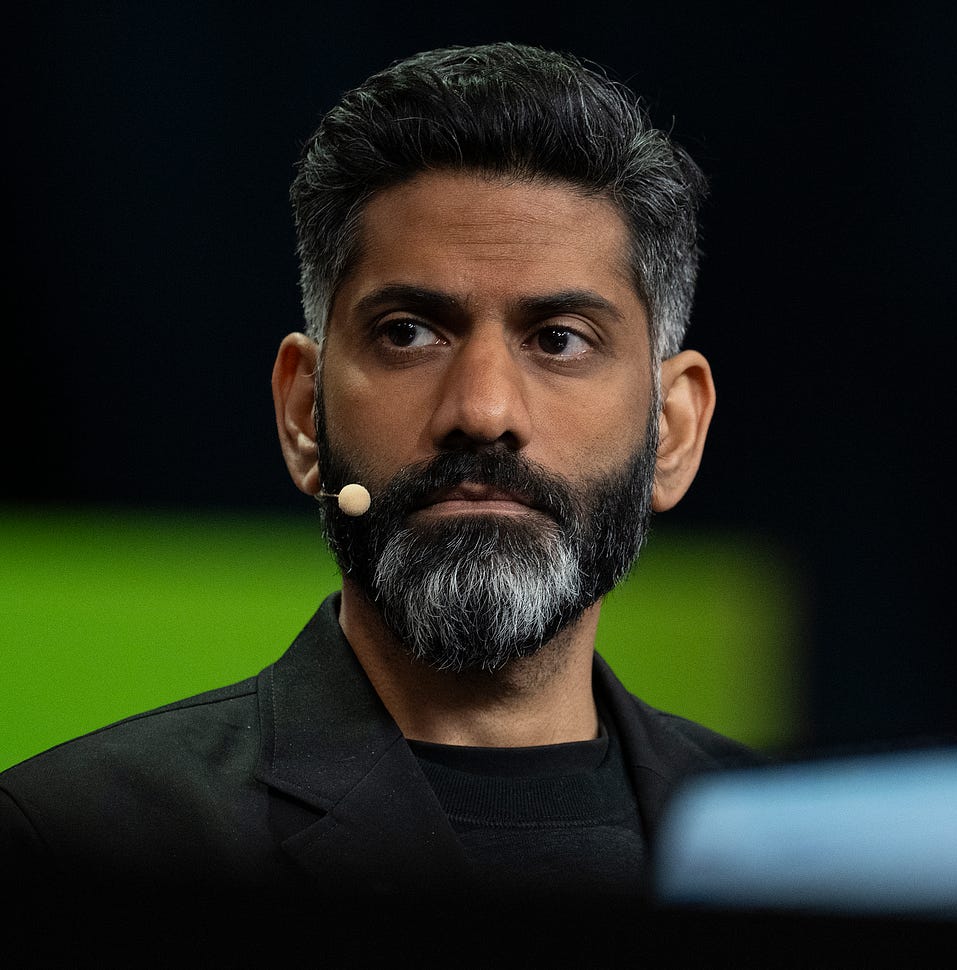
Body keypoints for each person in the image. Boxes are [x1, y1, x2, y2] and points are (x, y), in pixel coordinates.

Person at [0, 42, 761, 907]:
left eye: (559, 338)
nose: (481, 408)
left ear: (672, 430)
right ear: (303, 415)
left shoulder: (793, 856)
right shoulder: (69, 846)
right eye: (408, 332)